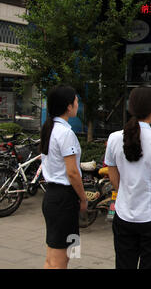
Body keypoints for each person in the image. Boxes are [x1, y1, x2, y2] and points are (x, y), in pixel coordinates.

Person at [104, 86, 151, 269]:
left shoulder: (113, 139)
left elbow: (114, 179)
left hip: (124, 214)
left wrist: (128, 191)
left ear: (131, 108)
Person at [40, 85, 87, 269]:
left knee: (52, 256)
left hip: (52, 197)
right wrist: (83, 198)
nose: (77, 104)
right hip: (64, 199)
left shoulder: (50, 128)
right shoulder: (66, 133)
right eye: (76, 100)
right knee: (61, 259)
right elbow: (72, 172)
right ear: (68, 106)